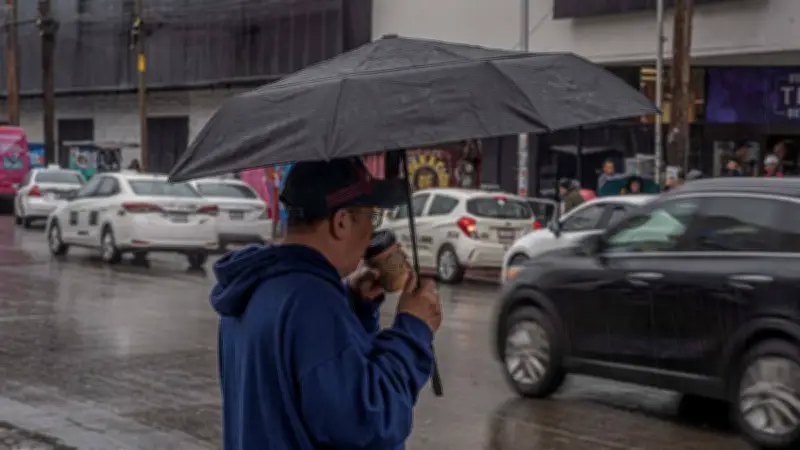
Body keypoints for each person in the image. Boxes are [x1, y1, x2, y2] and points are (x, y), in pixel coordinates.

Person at [212, 157, 442, 450]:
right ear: (341, 222)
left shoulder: (253, 285)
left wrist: (353, 309)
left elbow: (298, 391)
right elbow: (368, 422)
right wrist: (413, 331)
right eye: (371, 218)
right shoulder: (312, 303)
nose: (371, 235)